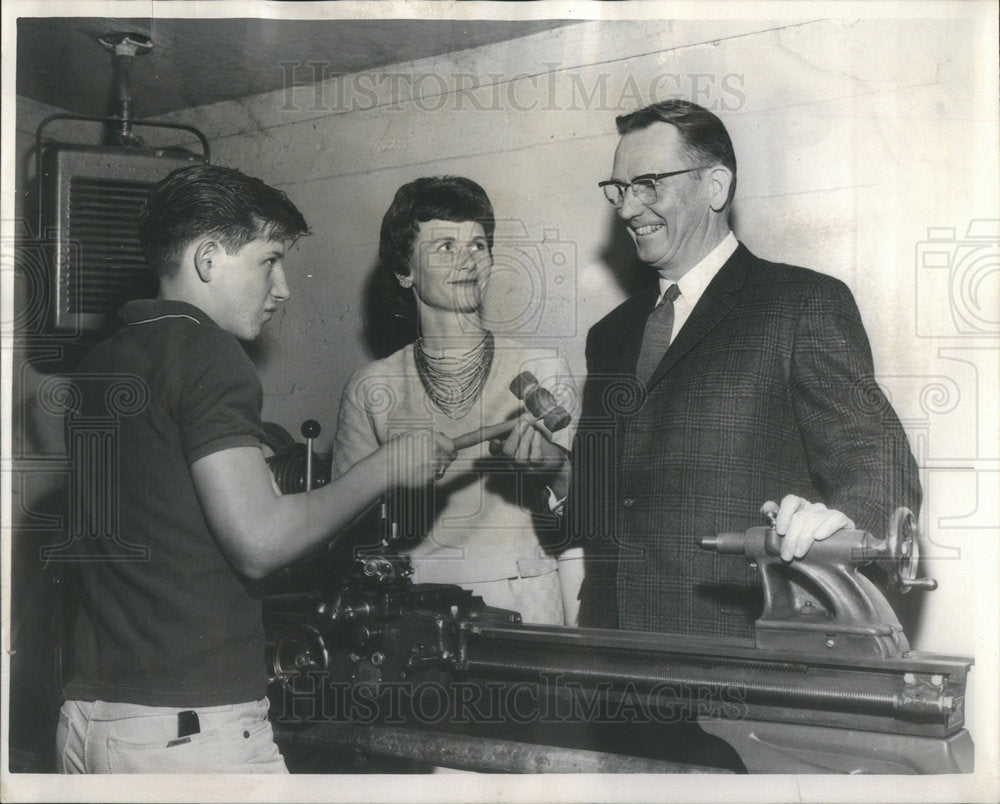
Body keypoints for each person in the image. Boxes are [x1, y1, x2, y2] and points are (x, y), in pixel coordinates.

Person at [56, 164, 455, 774]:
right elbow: (260, 543)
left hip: (92, 720)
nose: (284, 287)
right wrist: (386, 467)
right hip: (191, 729)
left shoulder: (101, 363)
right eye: (269, 260)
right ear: (209, 258)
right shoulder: (209, 353)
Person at [503, 99, 921, 639]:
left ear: (716, 186)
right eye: (620, 189)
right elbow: (609, 506)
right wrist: (556, 475)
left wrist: (839, 525)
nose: (629, 209)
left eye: (648, 183)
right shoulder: (609, 336)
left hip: (741, 652)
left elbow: (880, 464)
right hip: (610, 658)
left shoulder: (799, 303)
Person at [332, 176, 583, 626]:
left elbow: (589, 515)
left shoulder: (542, 367)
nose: (469, 259)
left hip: (525, 604)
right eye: (445, 246)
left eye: (479, 245)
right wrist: (390, 472)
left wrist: (558, 469)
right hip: (412, 609)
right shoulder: (371, 385)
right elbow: (344, 528)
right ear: (404, 270)